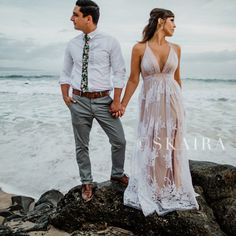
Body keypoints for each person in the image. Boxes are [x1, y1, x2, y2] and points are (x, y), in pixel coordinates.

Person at [119, 8, 199, 216]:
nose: (174, 25)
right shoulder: (139, 48)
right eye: (172, 21)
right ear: (162, 21)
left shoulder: (177, 48)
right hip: (152, 104)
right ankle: (153, 187)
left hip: (173, 102)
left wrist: (182, 107)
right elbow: (133, 79)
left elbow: (177, 79)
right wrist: (122, 104)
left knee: (171, 142)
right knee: (153, 140)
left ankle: (170, 187)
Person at [59, 0, 128, 202]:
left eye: (75, 15)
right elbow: (65, 72)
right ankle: (86, 181)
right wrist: (65, 96)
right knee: (82, 145)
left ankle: (117, 173)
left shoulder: (110, 42)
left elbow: (119, 72)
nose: (71, 18)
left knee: (119, 140)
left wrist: (117, 101)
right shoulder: (72, 44)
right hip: (78, 101)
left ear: (88, 18)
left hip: (103, 101)